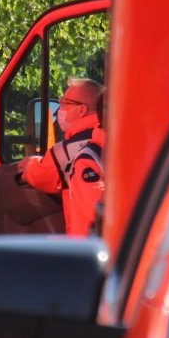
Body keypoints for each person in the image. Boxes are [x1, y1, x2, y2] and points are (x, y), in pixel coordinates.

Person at [19, 77, 106, 236]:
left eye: (65, 103)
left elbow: (41, 176)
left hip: (89, 249)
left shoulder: (68, 152)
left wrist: (29, 164)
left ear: (81, 110)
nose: (59, 109)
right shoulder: (112, 140)